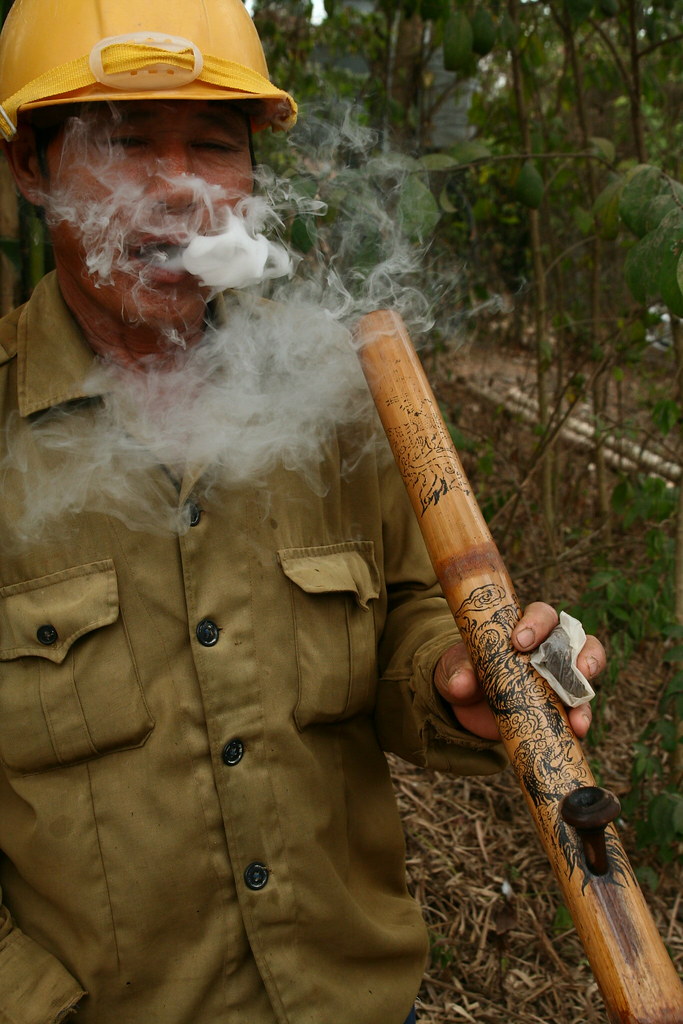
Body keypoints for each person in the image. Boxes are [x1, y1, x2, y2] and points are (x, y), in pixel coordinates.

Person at [0, 2, 604, 1022]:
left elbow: (411, 611)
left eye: (212, 148)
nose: (180, 187)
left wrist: (457, 676)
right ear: (30, 167)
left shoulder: (338, 383)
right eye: (126, 144)